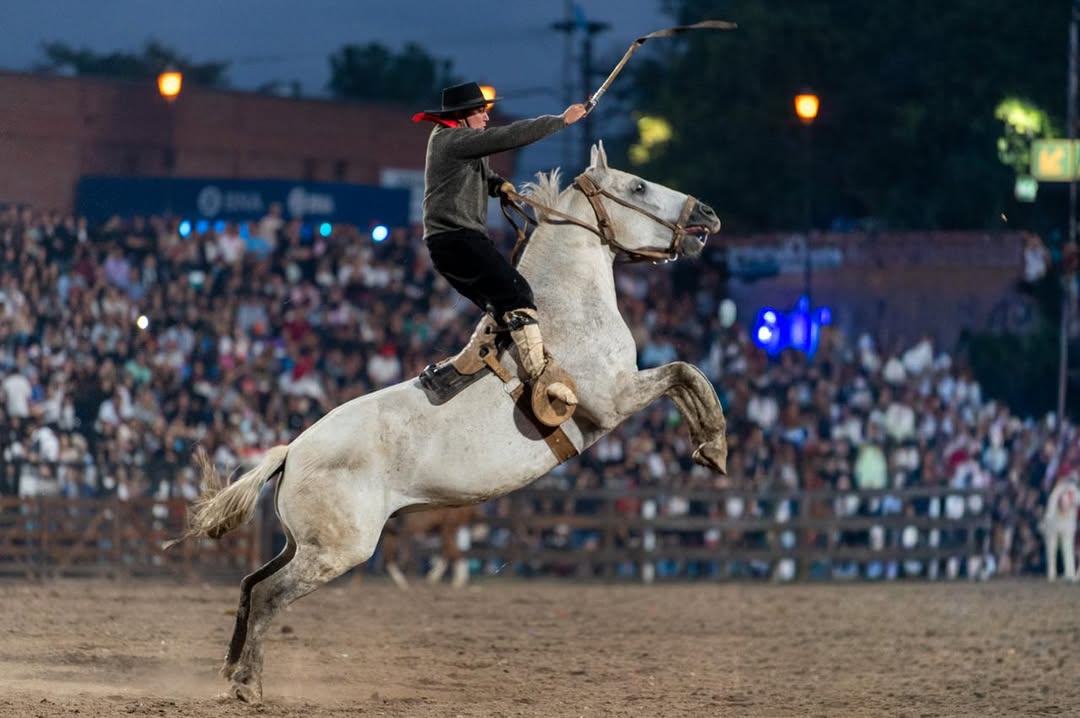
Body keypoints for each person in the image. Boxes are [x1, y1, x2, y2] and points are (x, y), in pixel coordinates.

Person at [413, 82, 587, 406]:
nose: (485, 118)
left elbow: (476, 172)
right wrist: (560, 120)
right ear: (461, 117)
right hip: (457, 239)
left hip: (454, 241)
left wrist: (498, 185)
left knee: (503, 309)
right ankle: (541, 376)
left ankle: (455, 374)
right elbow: (508, 137)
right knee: (517, 294)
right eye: (479, 112)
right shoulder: (453, 139)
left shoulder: (456, 141)